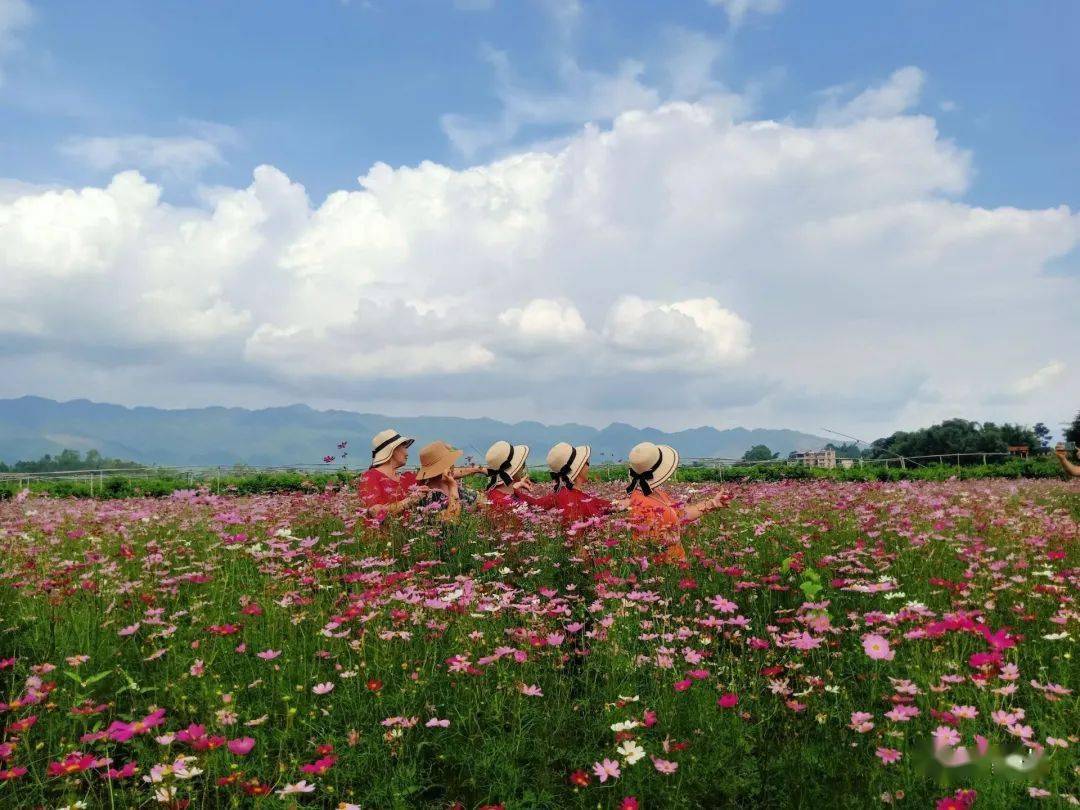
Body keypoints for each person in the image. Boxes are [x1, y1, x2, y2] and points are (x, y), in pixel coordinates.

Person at [625, 441, 730, 564]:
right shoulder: (638, 503)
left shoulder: (657, 493)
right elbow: (646, 544)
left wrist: (711, 504)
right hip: (664, 568)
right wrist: (664, 542)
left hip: (677, 562)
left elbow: (681, 514)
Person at [546, 442, 626, 524]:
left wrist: (621, 503)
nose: (589, 466)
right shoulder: (580, 501)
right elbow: (594, 504)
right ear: (579, 468)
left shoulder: (557, 495)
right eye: (587, 463)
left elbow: (598, 503)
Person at [357, 429, 426, 518]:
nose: (407, 453)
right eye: (404, 447)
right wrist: (410, 500)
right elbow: (376, 512)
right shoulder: (370, 477)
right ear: (393, 450)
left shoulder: (407, 478)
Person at [414, 440, 478, 522]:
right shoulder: (427, 497)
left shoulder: (453, 488)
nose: (453, 465)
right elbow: (451, 521)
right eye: (450, 463)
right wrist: (453, 486)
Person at [482, 440, 552, 513]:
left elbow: (536, 504)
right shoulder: (503, 502)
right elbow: (533, 511)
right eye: (522, 464)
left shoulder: (503, 491)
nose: (524, 467)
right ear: (514, 470)